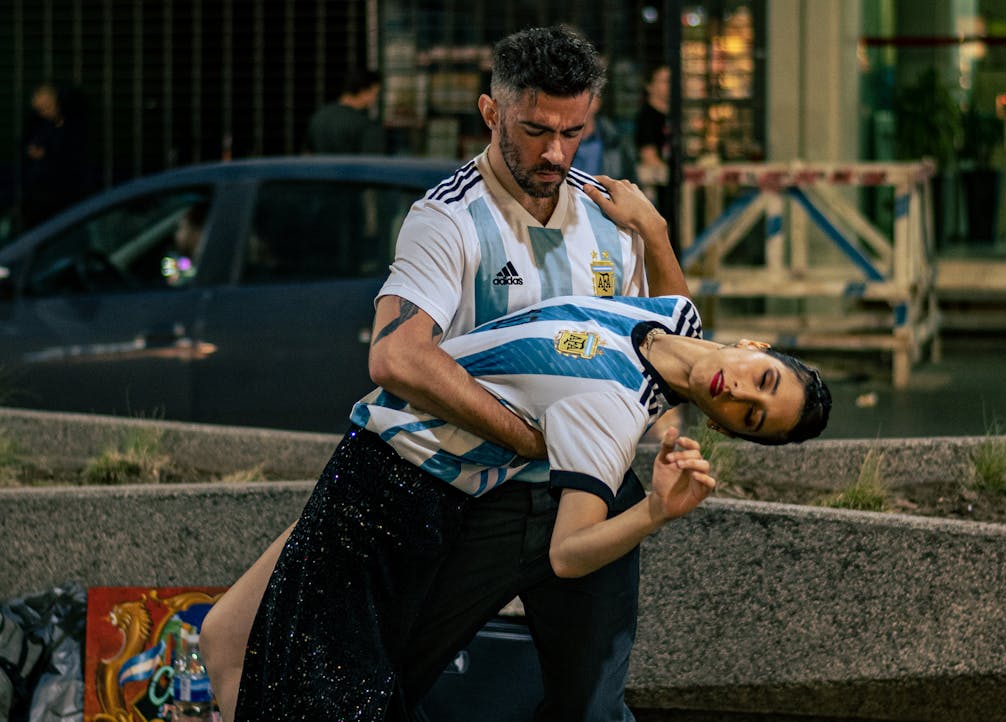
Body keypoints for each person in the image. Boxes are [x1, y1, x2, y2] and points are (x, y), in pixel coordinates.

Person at [202, 24, 690, 722]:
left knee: (592, 709)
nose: (555, 151)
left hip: (582, 490)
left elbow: (669, 340)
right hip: (455, 493)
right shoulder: (448, 215)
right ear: (491, 113)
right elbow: (395, 356)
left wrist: (658, 235)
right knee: (307, 666)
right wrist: (531, 438)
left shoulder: (612, 214)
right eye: (535, 130)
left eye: (573, 131)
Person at [216, 293, 832, 721]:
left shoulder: (613, 412)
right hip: (363, 464)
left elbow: (567, 553)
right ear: (756, 344)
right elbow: (684, 322)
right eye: (765, 379)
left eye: (750, 417)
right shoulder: (674, 314)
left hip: (402, 490)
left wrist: (655, 513)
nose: (743, 392)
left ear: (727, 431)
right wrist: (654, 229)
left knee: (307, 697)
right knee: (224, 638)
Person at [18, 81, 90, 230]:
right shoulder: (38, 125)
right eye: (40, 109)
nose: (44, 111)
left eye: (47, 106)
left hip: (62, 195)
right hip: (39, 196)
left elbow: (70, 156)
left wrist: (46, 153)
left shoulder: (71, 127)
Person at [303, 68, 385, 154]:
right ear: (364, 91)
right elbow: (371, 163)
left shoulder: (319, 116)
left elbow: (307, 155)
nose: (374, 99)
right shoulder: (366, 125)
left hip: (319, 167)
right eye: (375, 93)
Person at [634, 65, 673, 225]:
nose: (670, 86)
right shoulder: (646, 117)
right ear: (649, 86)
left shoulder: (675, 115)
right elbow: (648, 156)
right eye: (665, 81)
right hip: (658, 188)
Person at [573, 95, 638, 181]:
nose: (580, 105)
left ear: (597, 103)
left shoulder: (615, 140)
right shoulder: (557, 142)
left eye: (586, 97)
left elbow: (630, 181)